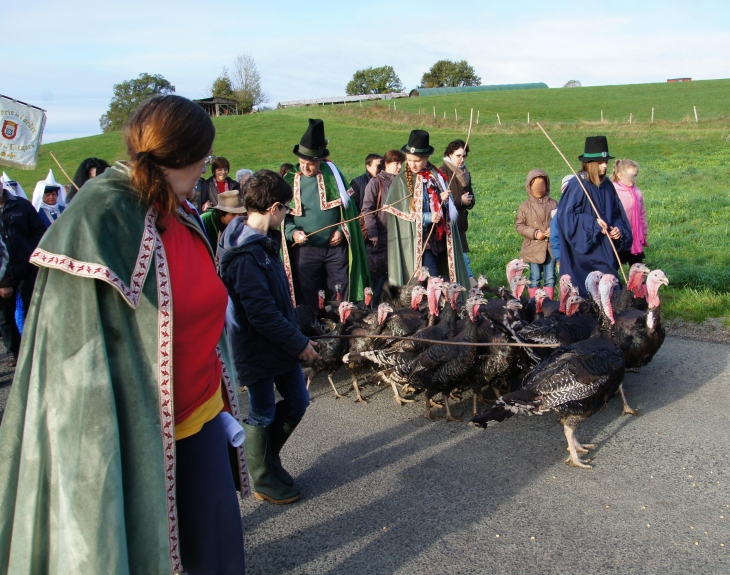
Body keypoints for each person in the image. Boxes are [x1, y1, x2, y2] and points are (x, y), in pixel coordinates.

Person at [0, 94, 248, 574]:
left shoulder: (180, 209)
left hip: (199, 418)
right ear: (182, 154)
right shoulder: (102, 215)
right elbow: (74, 355)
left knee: (218, 560)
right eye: (202, 157)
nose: (206, 168)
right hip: (134, 441)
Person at [219, 169, 318, 505]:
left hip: (278, 343)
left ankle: (266, 458)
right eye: (286, 209)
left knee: (298, 402)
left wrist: (294, 337)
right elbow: (261, 315)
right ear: (275, 207)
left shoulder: (264, 243)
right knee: (262, 413)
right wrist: (300, 343)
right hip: (256, 349)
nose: (286, 215)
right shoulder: (245, 255)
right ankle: (259, 476)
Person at [282, 119, 370, 307]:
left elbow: (349, 211)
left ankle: (342, 328)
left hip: (334, 249)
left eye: (311, 163)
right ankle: (315, 330)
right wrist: (292, 233)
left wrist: (340, 229)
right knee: (308, 295)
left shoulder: (334, 176)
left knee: (340, 290)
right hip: (305, 251)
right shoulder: (289, 181)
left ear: (320, 160)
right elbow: (283, 217)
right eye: (302, 162)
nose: (306, 167)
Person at [384, 130, 470, 289]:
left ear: (426, 158)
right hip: (418, 240)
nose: (412, 164)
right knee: (434, 278)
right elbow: (405, 215)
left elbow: (448, 212)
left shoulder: (436, 175)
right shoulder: (401, 181)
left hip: (439, 238)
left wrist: (444, 201)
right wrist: (428, 217)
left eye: (417, 160)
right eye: (409, 160)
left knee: (444, 276)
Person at [556, 136, 632, 296]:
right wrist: (593, 223)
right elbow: (566, 218)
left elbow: (617, 213)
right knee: (586, 293)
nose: (604, 166)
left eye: (606, 162)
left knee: (610, 286)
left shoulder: (607, 186)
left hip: (604, 247)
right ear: (590, 164)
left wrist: (617, 228)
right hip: (582, 252)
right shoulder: (577, 186)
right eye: (600, 162)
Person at [0, 180, 46, 367]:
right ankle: (15, 352)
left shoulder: (22, 205)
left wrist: (30, 253)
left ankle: (33, 350)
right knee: (5, 316)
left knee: (32, 310)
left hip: (26, 267)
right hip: (2, 272)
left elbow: (39, 230)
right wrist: (3, 282)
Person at [361, 149, 404, 301]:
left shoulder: (402, 183)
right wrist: (372, 233)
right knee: (377, 279)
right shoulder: (375, 183)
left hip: (398, 239)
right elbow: (367, 209)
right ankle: (374, 310)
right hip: (379, 239)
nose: (399, 167)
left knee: (395, 279)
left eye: (401, 163)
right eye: (396, 163)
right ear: (386, 164)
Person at [515, 169, 558, 298]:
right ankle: (534, 304)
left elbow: (560, 221)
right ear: (529, 187)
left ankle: (548, 304)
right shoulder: (525, 206)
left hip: (550, 248)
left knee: (550, 277)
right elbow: (519, 225)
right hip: (533, 249)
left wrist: (553, 230)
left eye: (542, 186)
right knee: (534, 278)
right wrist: (535, 233)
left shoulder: (554, 204)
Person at [440, 139, 476, 285]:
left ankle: (466, 286)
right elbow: (441, 198)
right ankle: (472, 285)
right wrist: (460, 200)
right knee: (459, 258)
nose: (462, 159)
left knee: (461, 257)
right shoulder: (442, 173)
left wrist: (469, 201)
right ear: (450, 154)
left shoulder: (465, 173)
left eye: (464, 156)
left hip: (460, 223)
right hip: (447, 223)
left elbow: (471, 196)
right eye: (458, 155)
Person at [611, 158, 648, 265]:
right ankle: (615, 281)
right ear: (619, 175)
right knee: (614, 265)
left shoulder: (637, 192)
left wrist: (644, 232)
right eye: (630, 177)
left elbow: (642, 214)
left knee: (638, 265)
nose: (633, 180)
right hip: (619, 237)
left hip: (635, 237)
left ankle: (638, 282)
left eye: (635, 176)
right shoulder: (613, 191)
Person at [200, 190, 247, 260]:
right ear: (221, 213)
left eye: (240, 214)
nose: (238, 217)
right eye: (233, 214)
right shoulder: (205, 220)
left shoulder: (242, 221)